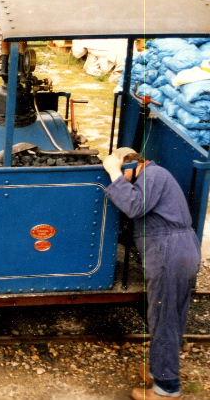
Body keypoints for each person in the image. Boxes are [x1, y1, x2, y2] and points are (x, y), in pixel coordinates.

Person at [102, 147, 201, 399]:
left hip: (170, 252)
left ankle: (167, 387)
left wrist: (113, 171)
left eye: (123, 172)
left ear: (130, 166)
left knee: (163, 316)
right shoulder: (155, 177)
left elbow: (134, 206)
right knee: (171, 315)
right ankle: (162, 370)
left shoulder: (153, 175)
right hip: (178, 249)